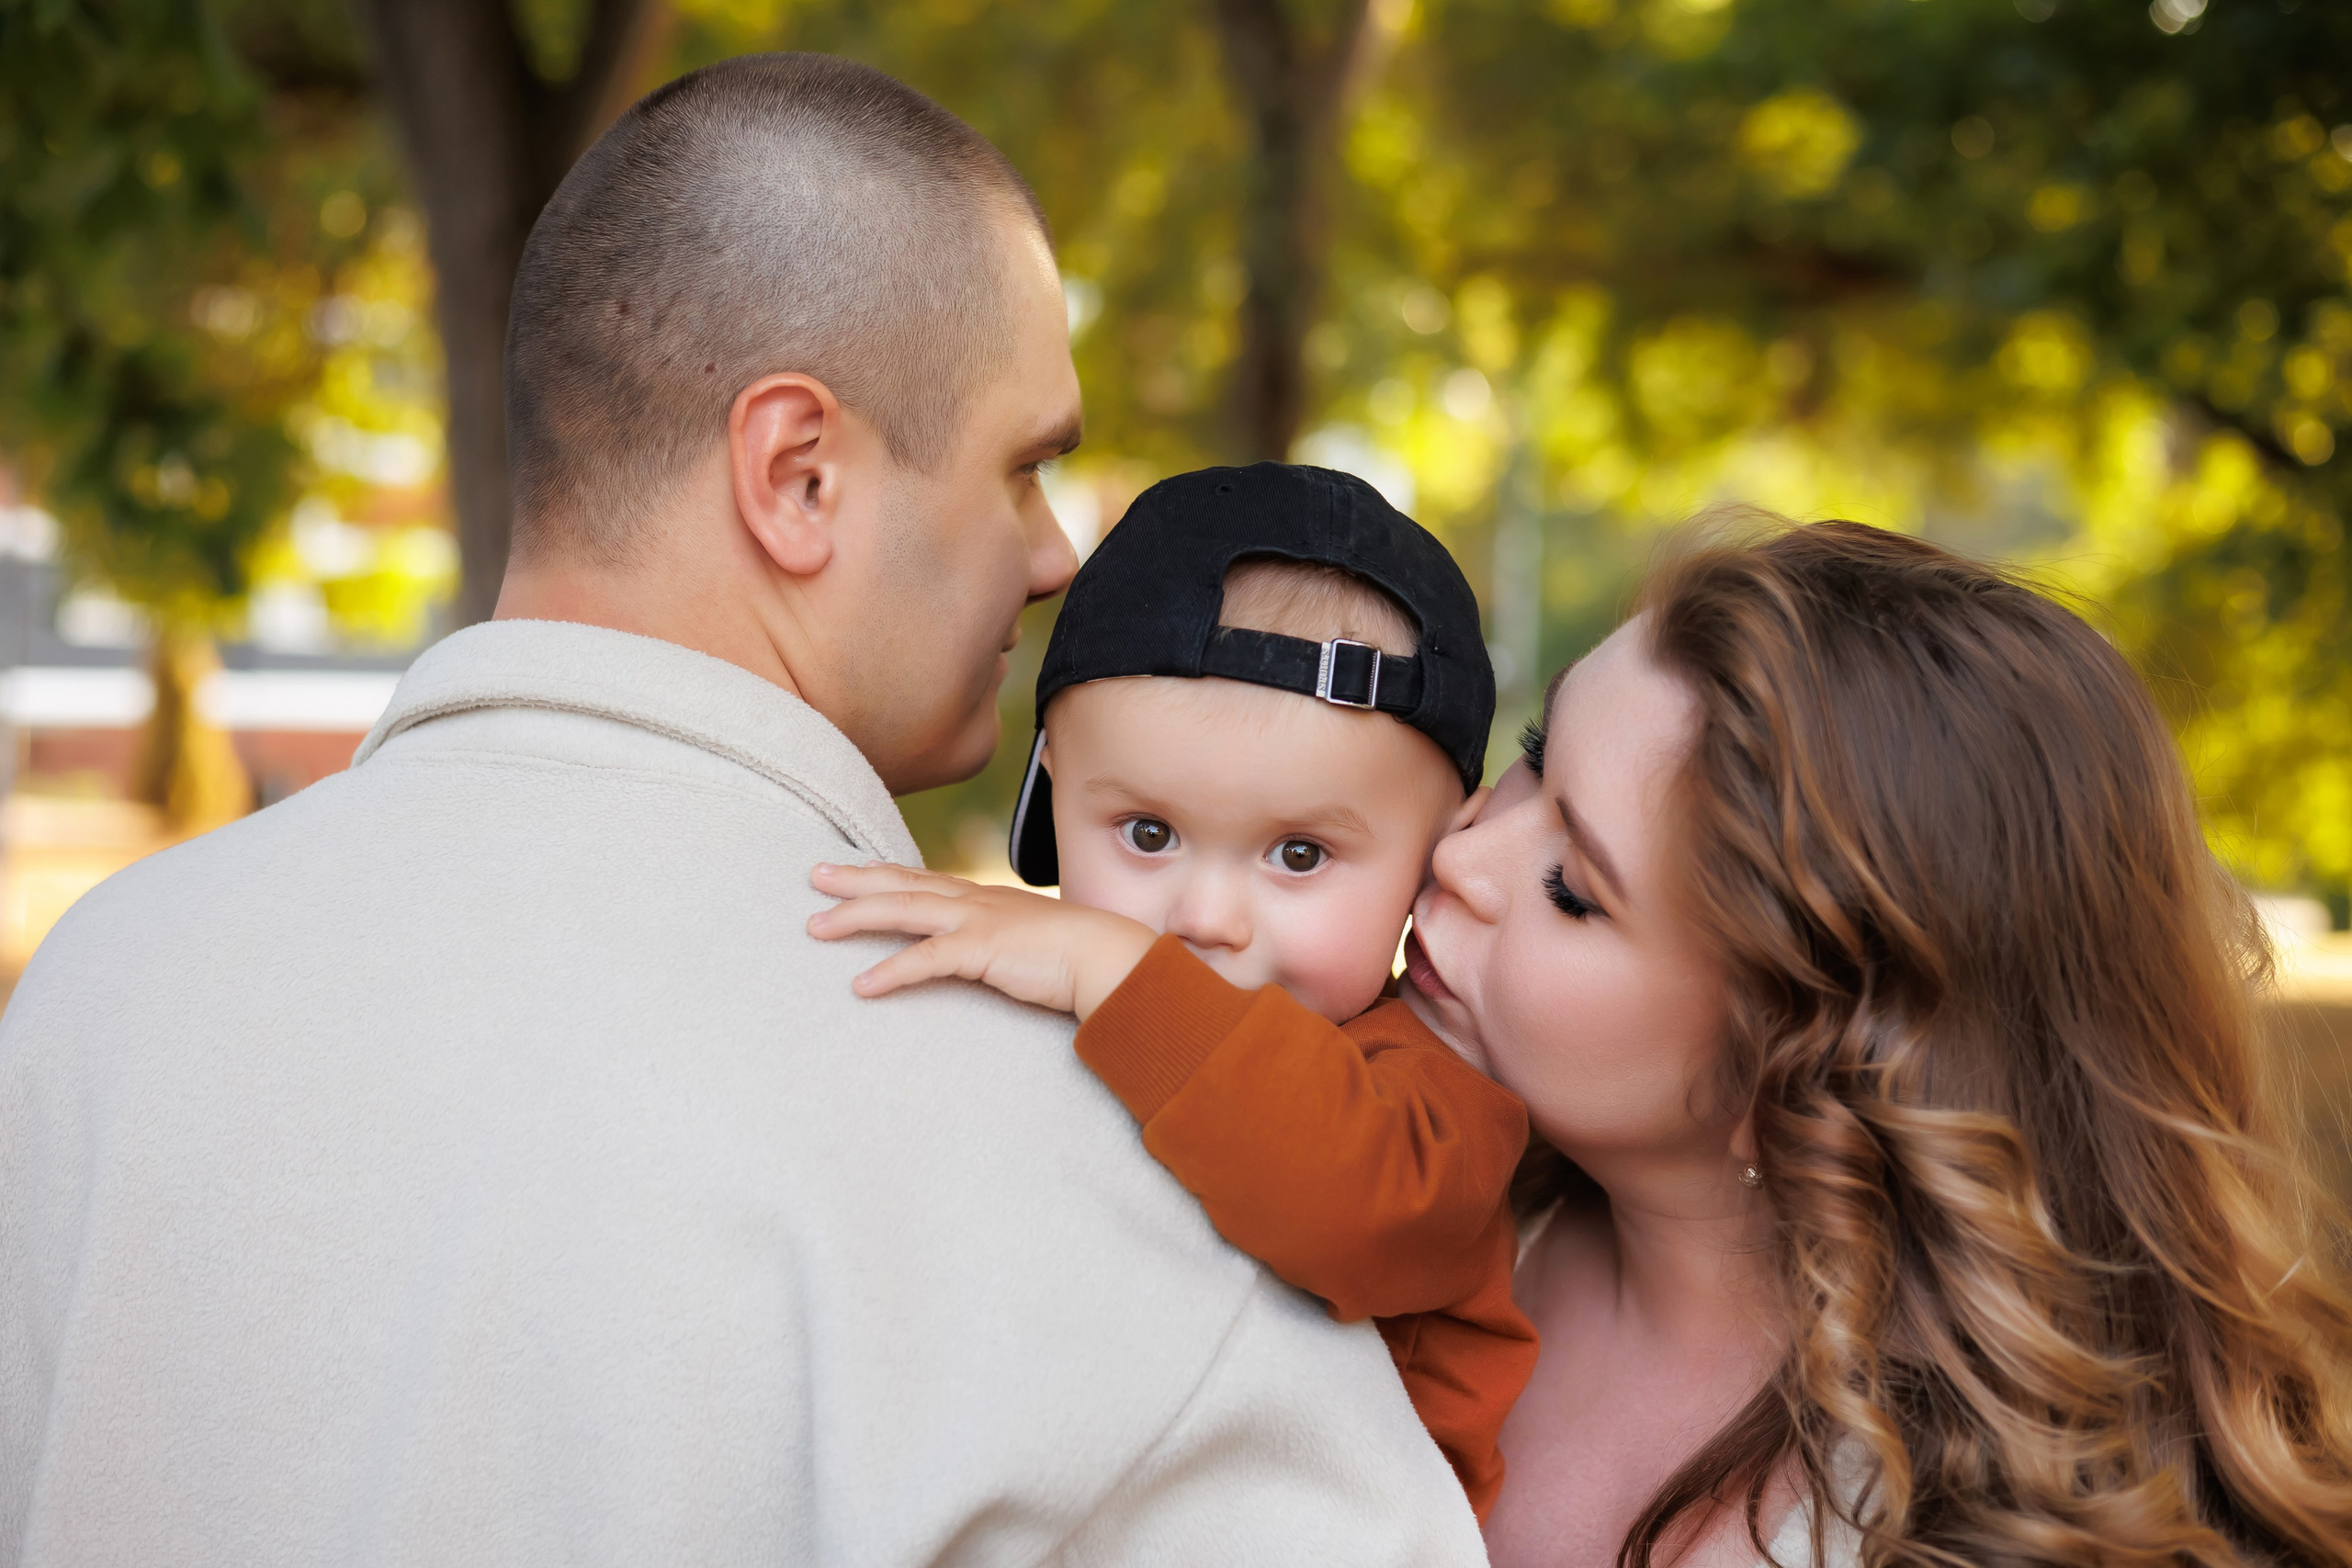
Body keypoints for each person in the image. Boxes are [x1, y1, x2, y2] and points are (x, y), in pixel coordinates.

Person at [0, 56, 1487, 1566]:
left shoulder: (98, 992)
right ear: (799, 474)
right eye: (1024, 468)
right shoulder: (1127, 1154)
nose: (1053, 558)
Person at [1422, 521, 2352, 1566]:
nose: (1459, 855)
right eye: (1533, 756)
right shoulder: (1388, 1180)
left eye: (1573, 890)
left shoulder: (1946, 1529)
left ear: (1799, 1062)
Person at [812, 461, 1540, 1517]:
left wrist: (1110, 968)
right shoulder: (1054, 1008)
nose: (1206, 916)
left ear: (1434, 860)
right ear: (1050, 790)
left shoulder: (1432, 1101)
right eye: (1148, 833)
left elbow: (1351, 1207)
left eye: (1299, 855)